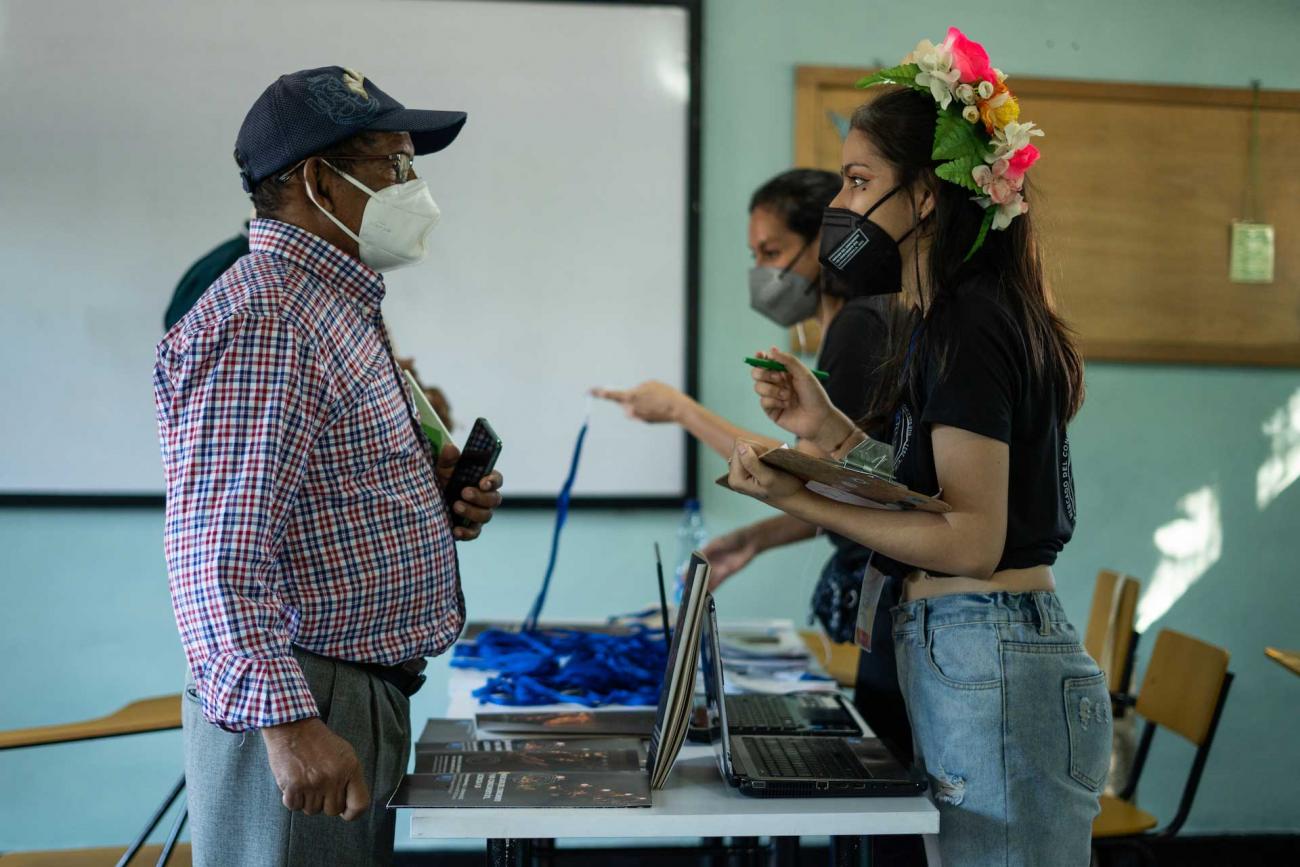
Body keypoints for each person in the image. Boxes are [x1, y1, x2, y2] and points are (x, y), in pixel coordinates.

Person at [725, 29, 1109, 867]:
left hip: (991, 639)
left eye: (860, 182)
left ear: (927, 196)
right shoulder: (945, 321)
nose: (843, 209)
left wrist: (797, 496)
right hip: (969, 641)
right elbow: (925, 491)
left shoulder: (972, 321)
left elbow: (968, 537)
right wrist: (828, 429)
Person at [153, 66, 504, 867]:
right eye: (395, 165)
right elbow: (214, 550)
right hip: (307, 697)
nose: (414, 187)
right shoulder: (267, 317)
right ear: (320, 180)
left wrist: (431, 498)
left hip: (346, 688)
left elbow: (320, 492)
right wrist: (290, 724)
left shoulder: (330, 305)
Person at [591, 169, 915, 756]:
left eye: (774, 252)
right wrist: (754, 540)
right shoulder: (852, 327)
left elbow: (809, 470)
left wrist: (683, 411)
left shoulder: (861, 326)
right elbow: (849, 488)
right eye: (755, 255)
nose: (764, 271)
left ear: (824, 243)